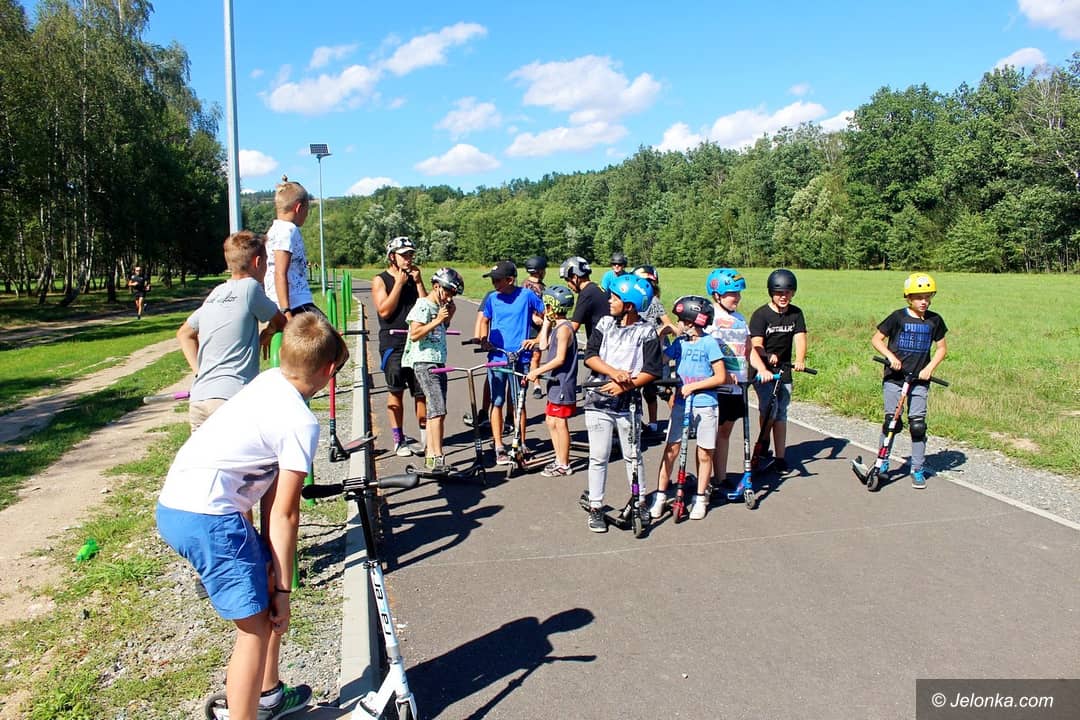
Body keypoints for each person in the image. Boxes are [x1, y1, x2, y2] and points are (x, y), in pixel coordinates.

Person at [156, 313, 348, 720]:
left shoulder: (267, 382)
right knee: (256, 628)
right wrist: (285, 592)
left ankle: (268, 695)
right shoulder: (300, 422)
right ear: (329, 370)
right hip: (211, 518)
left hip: (177, 504)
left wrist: (271, 572)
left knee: (262, 587)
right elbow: (285, 513)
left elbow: (266, 492)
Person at [177, 231, 286, 432]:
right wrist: (269, 333)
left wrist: (199, 373)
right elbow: (281, 322)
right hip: (231, 397)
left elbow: (184, 334)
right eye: (266, 262)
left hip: (200, 398)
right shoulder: (251, 288)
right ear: (258, 262)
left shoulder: (216, 293)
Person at [581, 275, 663, 533]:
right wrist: (614, 373)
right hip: (598, 400)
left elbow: (652, 370)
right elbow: (590, 356)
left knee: (633, 455)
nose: (609, 301)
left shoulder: (646, 331)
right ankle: (596, 506)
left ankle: (639, 502)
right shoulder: (605, 323)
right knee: (599, 455)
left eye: (615, 298)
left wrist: (625, 386)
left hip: (628, 403)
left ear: (629, 305)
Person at [650, 295, 728, 521]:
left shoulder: (709, 343)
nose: (678, 324)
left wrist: (694, 386)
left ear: (693, 322)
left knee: (704, 452)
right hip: (682, 404)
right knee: (672, 449)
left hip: (705, 404)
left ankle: (700, 497)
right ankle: (661, 496)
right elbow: (660, 360)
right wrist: (660, 336)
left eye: (681, 320)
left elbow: (720, 376)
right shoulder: (680, 343)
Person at [870, 272, 948, 489]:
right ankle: (882, 462)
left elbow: (942, 349)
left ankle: (917, 468)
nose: (924, 301)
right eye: (919, 297)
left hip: (919, 381)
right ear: (909, 298)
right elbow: (877, 339)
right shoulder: (898, 317)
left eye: (927, 297)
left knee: (918, 425)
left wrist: (929, 368)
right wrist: (891, 357)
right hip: (895, 379)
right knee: (892, 422)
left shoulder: (935, 320)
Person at [705, 268, 770, 487]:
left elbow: (749, 349)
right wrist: (722, 374)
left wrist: (761, 369)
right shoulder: (711, 319)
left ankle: (720, 478)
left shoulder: (740, 319)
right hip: (717, 386)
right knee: (710, 436)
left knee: (725, 432)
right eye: (733, 293)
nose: (738, 297)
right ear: (717, 295)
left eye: (738, 293)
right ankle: (705, 482)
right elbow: (705, 351)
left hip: (737, 386)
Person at [476, 260, 545, 466]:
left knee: (518, 403)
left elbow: (548, 315)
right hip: (497, 358)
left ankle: (521, 442)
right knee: (497, 401)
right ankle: (498, 445)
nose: (494, 284)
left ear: (510, 279)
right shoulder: (492, 298)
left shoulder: (527, 295)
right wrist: (484, 340)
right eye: (493, 280)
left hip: (520, 358)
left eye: (498, 280)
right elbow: (484, 320)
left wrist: (537, 338)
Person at [402, 268, 462, 472]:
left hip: (438, 361)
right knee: (437, 409)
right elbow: (415, 334)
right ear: (436, 286)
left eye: (453, 294)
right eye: (448, 292)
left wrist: (447, 317)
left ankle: (431, 454)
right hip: (424, 362)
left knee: (438, 411)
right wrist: (437, 320)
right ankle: (436, 456)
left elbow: (438, 331)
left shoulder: (439, 307)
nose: (450, 297)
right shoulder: (423, 305)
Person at [371, 236, 427, 457]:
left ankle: (425, 439)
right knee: (396, 391)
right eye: (404, 255)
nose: (408, 259)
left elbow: (426, 308)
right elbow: (384, 311)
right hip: (393, 342)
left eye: (411, 255)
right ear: (392, 257)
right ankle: (398, 439)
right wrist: (399, 285)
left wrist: (419, 283)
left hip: (416, 341)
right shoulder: (381, 280)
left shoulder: (414, 277)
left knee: (421, 392)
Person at [748, 268, 808, 474]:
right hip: (763, 368)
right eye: (779, 293)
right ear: (771, 293)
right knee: (769, 410)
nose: (783, 297)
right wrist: (766, 355)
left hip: (784, 369)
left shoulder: (796, 313)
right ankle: (763, 442)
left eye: (787, 293)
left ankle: (780, 457)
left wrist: (800, 360)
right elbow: (756, 344)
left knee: (781, 412)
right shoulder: (761, 315)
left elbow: (800, 337)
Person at [526, 284, 578, 478]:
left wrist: (537, 371)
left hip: (563, 381)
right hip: (555, 382)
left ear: (552, 306)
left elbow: (560, 359)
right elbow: (543, 345)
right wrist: (546, 324)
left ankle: (564, 464)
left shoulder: (564, 329)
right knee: (550, 420)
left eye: (547, 305)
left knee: (560, 422)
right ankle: (558, 458)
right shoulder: (557, 326)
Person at [631, 265, 678, 436]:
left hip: (657, 352)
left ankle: (679, 421)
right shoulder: (634, 302)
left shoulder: (653, 301)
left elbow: (669, 324)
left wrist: (659, 332)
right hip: (640, 353)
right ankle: (652, 424)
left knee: (663, 390)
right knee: (646, 392)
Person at [264, 177, 319, 319]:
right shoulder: (287, 230)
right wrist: (286, 311)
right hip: (296, 303)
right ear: (299, 208)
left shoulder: (274, 229)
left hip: (289, 301)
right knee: (328, 333)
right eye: (307, 210)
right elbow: (279, 272)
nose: (307, 215)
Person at [560, 256, 610, 342]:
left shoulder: (586, 294)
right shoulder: (596, 288)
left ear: (575, 277)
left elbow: (574, 327)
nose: (568, 285)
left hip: (598, 344)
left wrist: (554, 337)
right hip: (607, 340)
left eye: (567, 280)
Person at [523, 256, 548, 400]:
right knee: (533, 355)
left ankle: (537, 381)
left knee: (539, 354)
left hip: (542, 323)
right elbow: (523, 303)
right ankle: (534, 383)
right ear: (539, 271)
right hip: (531, 325)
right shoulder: (525, 285)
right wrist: (533, 316)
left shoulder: (542, 286)